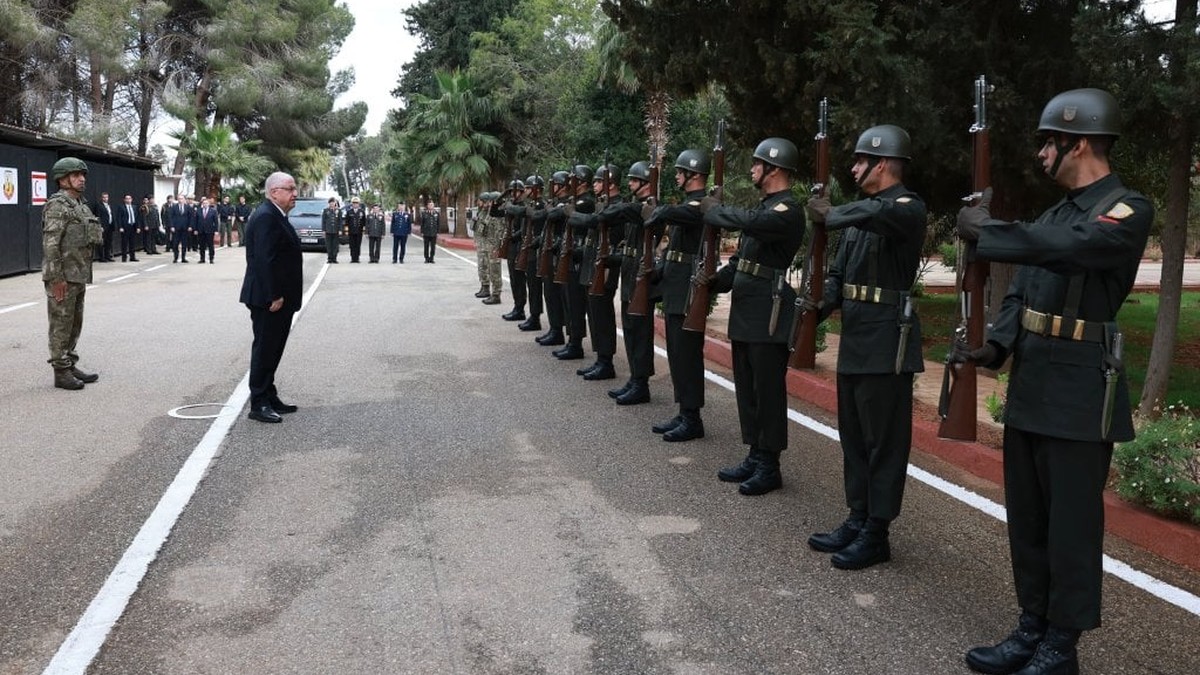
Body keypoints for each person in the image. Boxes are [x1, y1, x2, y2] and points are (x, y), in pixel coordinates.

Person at [954, 89, 1152, 675]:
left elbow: (1075, 250)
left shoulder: (1124, 209)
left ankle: (1061, 646)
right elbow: (1022, 289)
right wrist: (998, 344)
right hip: (1035, 377)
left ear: (1080, 142)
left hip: (1079, 388)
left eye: (1050, 143)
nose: (1042, 154)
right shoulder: (1054, 213)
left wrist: (989, 231)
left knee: (1070, 525)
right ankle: (1030, 627)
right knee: (1030, 518)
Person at [803, 125, 926, 570]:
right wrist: (820, 304)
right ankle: (857, 517)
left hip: (887, 340)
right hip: (855, 336)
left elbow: (877, 215)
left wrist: (832, 213)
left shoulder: (906, 208)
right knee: (853, 437)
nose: (853, 168)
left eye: (859, 161)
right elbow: (838, 273)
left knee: (884, 442)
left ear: (883, 164)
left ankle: (878, 532)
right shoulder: (859, 220)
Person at [696, 137, 804, 496]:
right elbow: (742, 262)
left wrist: (714, 211)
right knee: (748, 386)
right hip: (747, 309)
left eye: (757, 165)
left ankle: (770, 465)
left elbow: (751, 222)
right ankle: (755, 454)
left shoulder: (787, 210)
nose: (752, 170)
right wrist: (715, 283)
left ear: (773, 169)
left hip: (767, 312)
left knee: (767, 390)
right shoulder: (765, 210)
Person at [645, 149, 711, 441]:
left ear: (693, 175)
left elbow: (682, 213)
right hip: (676, 286)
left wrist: (657, 210)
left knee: (687, 355)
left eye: (680, 172)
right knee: (676, 353)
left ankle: (693, 418)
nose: (676, 176)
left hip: (687, 291)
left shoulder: (700, 205)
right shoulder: (688, 204)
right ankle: (685, 412)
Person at [240, 171, 304, 424]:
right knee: (265, 349)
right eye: (290, 188)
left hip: (278, 298)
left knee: (273, 348)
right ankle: (259, 402)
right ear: (274, 192)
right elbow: (263, 261)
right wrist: (274, 295)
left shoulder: (276, 214)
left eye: (294, 188)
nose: (294, 193)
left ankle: (269, 394)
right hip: (270, 299)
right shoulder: (267, 216)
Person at [41, 157, 103, 390]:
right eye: (76, 175)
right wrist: (56, 278)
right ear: (63, 179)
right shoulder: (58, 205)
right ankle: (60, 371)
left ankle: (69, 363)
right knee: (61, 324)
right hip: (63, 277)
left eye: (83, 175)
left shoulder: (80, 205)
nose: (82, 179)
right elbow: (51, 244)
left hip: (78, 274)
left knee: (75, 323)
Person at [605, 160, 661, 405]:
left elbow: (621, 212)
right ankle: (634, 378)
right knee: (629, 330)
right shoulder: (637, 206)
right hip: (629, 274)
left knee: (640, 333)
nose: (629, 183)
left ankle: (642, 383)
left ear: (646, 184)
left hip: (641, 278)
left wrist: (604, 210)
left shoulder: (650, 208)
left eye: (634, 180)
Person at [573, 164, 622, 376]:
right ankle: (600, 358)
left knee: (602, 313)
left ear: (610, 183)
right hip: (595, 262)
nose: (594, 185)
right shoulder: (602, 204)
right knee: (594, 312)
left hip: (607, 264)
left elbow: (604, 229)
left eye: (598, 181)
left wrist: (572, 214)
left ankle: (606, 362)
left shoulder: (618, 206)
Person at [517, 175, 547, 332]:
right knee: (532, 286)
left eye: (529, 188)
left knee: (536, 287)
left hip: (538, 250)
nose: (526, 191)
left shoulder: (542, 205)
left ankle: (535, 317)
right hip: (531, 249)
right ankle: (533, 316)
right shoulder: (533, 204)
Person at [500, 180, 528, 320]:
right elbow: (495, 211)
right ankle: (517, 306)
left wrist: (512, 236)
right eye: (511, 191)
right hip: (511, 246)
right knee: (513, 279)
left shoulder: (523, 206)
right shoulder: (511, 206)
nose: (513, 194)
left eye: (516, 191)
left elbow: (524, 228)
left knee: (519, 280)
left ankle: (520, 308)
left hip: (519, 246)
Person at [114, 194, 141, 262]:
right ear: (124, 200)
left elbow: (137, 218)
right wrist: (120, 227)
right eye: (127, 198)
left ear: (131, 199)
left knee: (132, 243)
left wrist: (138, 227)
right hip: (125, 227)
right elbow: (119, 218)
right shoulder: (121, 207)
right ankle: (124, 257)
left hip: (133, 226)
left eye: (129, 198)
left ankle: (132, 257)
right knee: (124, 243)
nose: (128, 200)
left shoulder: (134, 207)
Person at [168, 192, 192, 263]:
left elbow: (190, 217)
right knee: (175, 244)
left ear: (184, 199)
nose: (180, 200)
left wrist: (190, 226)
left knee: (184, 244)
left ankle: (183, 258)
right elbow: (171, 217)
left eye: (181, 199)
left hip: (185, 228)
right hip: (176, 228)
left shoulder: (188, 207)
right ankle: (175, 257)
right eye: (179, 199)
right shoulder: (174, 207)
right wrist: (172, 226)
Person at [91, 192, 114, 262]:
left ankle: (108, 256)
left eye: (106, 197)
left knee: (108, 242)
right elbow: (98, 216)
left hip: (110, 226)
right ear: (101, 198)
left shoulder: (109, 205)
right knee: (102, 242)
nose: (105, 199)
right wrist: (100, 226)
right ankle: (102, 257)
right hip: (103, 226)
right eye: (104, 197)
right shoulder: (99, 205)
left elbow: (111, 215)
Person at [195, 196, 218, 263]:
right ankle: (202, 258)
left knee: (210, 245)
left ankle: (211, 258)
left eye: (206, 203)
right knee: (201, 245)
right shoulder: (199, 211)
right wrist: (196, 229)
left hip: (210, 230)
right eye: (204, 203)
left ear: (209, 204)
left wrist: (216, 230)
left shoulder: (213, 211)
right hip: (201, 230)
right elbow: (196, 220)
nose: (205, 204)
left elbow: (216, 221)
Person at [344, 196, 366, 262]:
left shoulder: (362, 212)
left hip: (359, 231)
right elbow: (346, 222)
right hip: (351, 231)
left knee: (358, 245)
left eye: (356, 203)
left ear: (358, 204)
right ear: (352, 204)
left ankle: (357, 258)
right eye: (354, 203)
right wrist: (346, 231)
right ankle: (352, 258)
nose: (355, 204)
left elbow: (364, 222)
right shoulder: (349, 212)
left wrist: (364, 231)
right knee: (352, 245)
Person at [321, 197, 342, 263]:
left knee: (335, 245)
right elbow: (323, 221)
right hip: (328, 230)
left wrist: (340, 230)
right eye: (331, 203)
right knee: (329, 245)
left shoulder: (338, 211)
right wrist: (324, 230)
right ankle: (330, 258)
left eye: (333, 202)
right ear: (329, 203)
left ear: (335, 203)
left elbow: (340, 221)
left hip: (335, 230)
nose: (332, 204)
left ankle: (334, 258)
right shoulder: (326, 211)